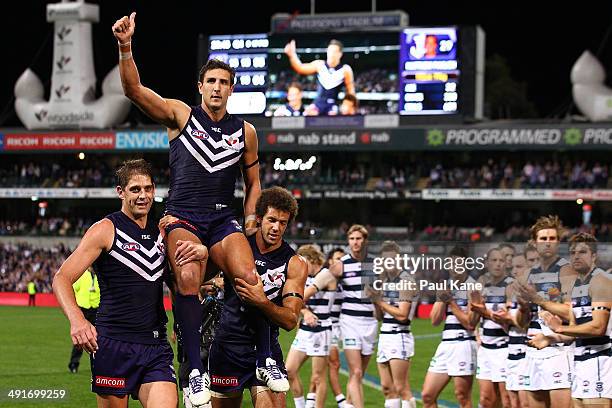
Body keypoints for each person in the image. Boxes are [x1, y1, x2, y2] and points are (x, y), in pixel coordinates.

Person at [112, 13, 283, 406]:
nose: (218, 88)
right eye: (212, 81)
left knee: (249, 273)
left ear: (232, 89)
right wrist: (125, 45)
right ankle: (193, 372)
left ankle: (265, 359)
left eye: (224, 82)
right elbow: (134, 90)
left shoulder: (246, 131)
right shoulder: (180, 115)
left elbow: (254, 181)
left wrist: (252, 219)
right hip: (184, 217)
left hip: (224, 220)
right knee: (188, 274)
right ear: (200, 86)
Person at [53, 159, 205, 407]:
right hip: (113, 344)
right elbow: (62, 278)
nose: (142, 195)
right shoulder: (105, 229)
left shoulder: (163, 233)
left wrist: (203, 254)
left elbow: (184, 284)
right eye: (135, 189)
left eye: (147, 188)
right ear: (120, 192)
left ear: (154, 190)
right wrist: (77, 320)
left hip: (156, 346)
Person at [207, 186, 308, 408]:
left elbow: (291, 320)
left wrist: (262, 301)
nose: (276, 228)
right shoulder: (237, 244)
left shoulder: (294, 263)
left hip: (267, 351)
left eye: (283, 223)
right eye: (272, 220)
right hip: (227, 346)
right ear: (260, 218)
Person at [528, 232, 612, 407]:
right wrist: (551, 338)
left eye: (582, 252)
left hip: (600, 362)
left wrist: (559, 328)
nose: (576, 256)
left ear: (594, 256)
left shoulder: (601, 282)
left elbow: (598, 328)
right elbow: (575, 330)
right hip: (580, 363)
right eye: (573, 252)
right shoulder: (577, 287)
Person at [311, 225, 377, 408]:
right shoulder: (341, 264)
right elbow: (321, 280)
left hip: (370, 324)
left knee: (359, 375)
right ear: (348, 241)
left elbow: (378, 295)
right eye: (352, 239)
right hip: (350, 322)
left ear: (365, 241)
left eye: (359, 239)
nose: (355, 242)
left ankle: (349, 404)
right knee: (355, 372)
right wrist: (305, 296)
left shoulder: (374, 265)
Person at [515, 215, 575, 408]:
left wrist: (538, 299)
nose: (547, 243)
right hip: (532, 349)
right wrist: (524, 308)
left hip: (559, 350)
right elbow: (522, 323)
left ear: (558, 242)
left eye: (552, 238)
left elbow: (571, 314)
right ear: (534, 243)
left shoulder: (567, 271)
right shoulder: (528, 275)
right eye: (543, 239)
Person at [421, 245, 478, 408]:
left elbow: (470, 323)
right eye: (451, 264)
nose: (454, 268)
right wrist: (442, 297)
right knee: (427, 395)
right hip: (446, 344)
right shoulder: (446, 284)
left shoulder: (473, 287)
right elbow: (434, 321)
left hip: (464, 343)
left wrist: (451, 302)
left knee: (462, 397)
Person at [371, 241, 417, 408]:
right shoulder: (383, 281)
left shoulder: (406, 280)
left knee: (402, 387)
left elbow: (403, 314)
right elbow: (379, 317)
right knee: (387, 388)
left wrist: (380, 302)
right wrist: (375, 303)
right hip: (385, 335)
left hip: (399, 336)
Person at [286, 244, 332, 408]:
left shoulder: (326, 273)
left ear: (312, 259)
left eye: (304, 263)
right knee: (289, 370)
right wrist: (304, 312)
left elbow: (301, 297)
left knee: (318, 377)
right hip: (305, 329)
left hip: (321, 330)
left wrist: (294, 301)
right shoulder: (305, 276)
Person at [469, 248, 512, 408]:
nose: (498, 264)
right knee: (487, 399)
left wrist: (484, 310)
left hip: (504, 349)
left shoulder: (510, 286)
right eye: (493, 260)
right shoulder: (481, 286)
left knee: (506, 400)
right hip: (486, 350)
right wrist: (475, 305)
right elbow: (472, 323)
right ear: (487, 263)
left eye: (501, 260)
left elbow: (509, 322)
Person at [284, 39, 355, 116]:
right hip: (318, 104)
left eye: (334, 52)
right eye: (329, 51)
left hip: (333, 105)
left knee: (333, 118)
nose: (331, 54)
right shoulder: (319, 65)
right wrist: (292, 55)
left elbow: (350, 92)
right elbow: (300, 68)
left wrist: (349, 106)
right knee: (307, 115)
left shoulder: (345, 70)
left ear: (340, 54)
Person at [325, 248, 348, 408]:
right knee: (333, 363)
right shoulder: (325, 277)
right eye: (337, 258)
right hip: (328, 326)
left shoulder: (347, 280)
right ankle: (341, 400)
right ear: (330, 261)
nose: (340, 262)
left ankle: (311, 401)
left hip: (344, 327)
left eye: (343, 259)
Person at [68, 268, 100, 374]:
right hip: (83, 309)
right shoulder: (81, 275)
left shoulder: (100, 275)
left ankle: (97, 365)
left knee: (96, 338)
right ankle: (74, 363)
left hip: (96, 309)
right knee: (81, 338)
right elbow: (73, 288)